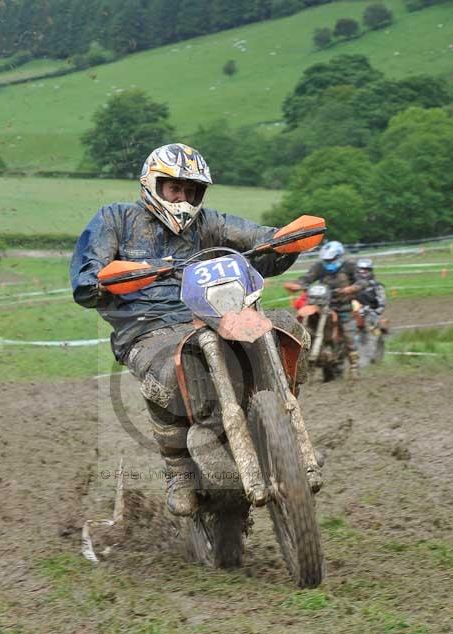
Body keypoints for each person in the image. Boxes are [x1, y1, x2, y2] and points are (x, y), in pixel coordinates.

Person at [71, 142, 319, 515]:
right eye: (175, 189)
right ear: (152, 185)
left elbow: (258, 241)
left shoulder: (210, 224)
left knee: (287, 330)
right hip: (147, 327)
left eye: (192, 190)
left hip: (216, 315)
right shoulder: (116, 219)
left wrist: (284, 241)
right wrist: (104, 280)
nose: (184, 198)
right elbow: (87, 278)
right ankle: (178, 469)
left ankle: (283, 424)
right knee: (169, 371)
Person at [283, 240, 366, 379]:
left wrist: (352, 288)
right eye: (326, 259)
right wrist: (296, 285)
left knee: (348, 335)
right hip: (322, 305)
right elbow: (307, 279)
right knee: (307, 324)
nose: (329, 262)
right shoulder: (319, 267)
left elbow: (362, 281)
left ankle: (354, 367)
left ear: (339, 256)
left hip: (343, 306)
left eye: (332, 259)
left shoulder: (349, 266)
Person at [355, 257, 386, 328]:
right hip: (354, 316)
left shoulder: (377, 286)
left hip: (371, 315)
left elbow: (382, 305)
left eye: (366, 269)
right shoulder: (352, 286)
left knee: (374, 334)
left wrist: (372, 313)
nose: (363, 272)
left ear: (370, 270)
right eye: (361, 269)